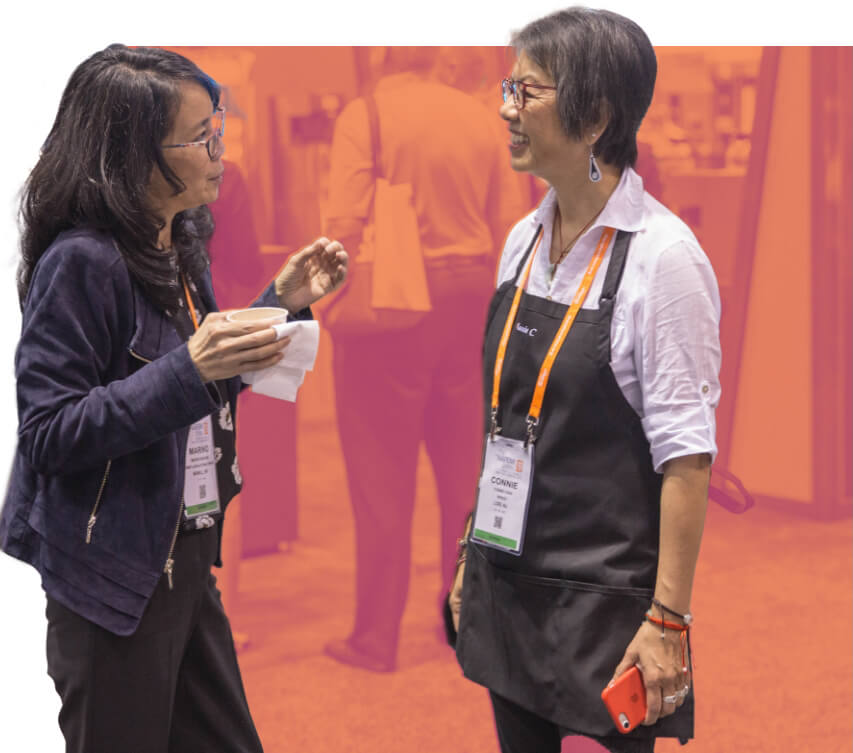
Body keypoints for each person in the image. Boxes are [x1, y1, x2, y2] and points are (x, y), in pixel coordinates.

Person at [0, 44, 347, 753]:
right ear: (134, 154)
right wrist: (190, 370)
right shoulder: (82, 260)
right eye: (201, 138)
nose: (221, 151)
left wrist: (279, 304)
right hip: (111, 577)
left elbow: (191, 383)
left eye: (218, 130)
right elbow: (48, 431)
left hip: (182, 554)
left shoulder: (177, 237)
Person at [448, 9, 721, 753]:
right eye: (508, 86)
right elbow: (505, 418)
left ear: (594, 115)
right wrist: (474, 545)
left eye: (526, 91)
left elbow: (686, 458)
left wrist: (667, 621)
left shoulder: (664, 260)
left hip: (605, 603)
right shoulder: (522, 238)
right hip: (510, 578)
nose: (506, 108)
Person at [321, 46, 525, 672]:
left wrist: (326, 307)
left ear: (382, 52)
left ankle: (375, 637)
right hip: (471, 301)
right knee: (466, 468)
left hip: (391, 308)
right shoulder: (481, 118)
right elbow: (511, 222)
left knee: (381, 478)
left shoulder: (367, 116)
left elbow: (345, 222)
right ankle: (466, 621)